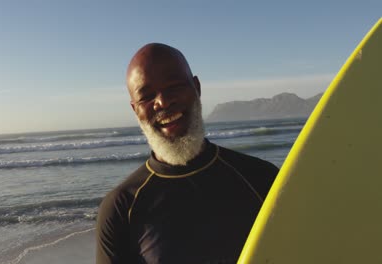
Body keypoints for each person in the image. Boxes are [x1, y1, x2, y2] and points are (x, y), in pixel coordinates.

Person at [96, 43, 279, 264]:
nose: (163, 101)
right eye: (146, 96)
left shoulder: (261, 178)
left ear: (196, 88)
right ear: (136, 110)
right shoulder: (120, 208)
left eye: (173, 86)